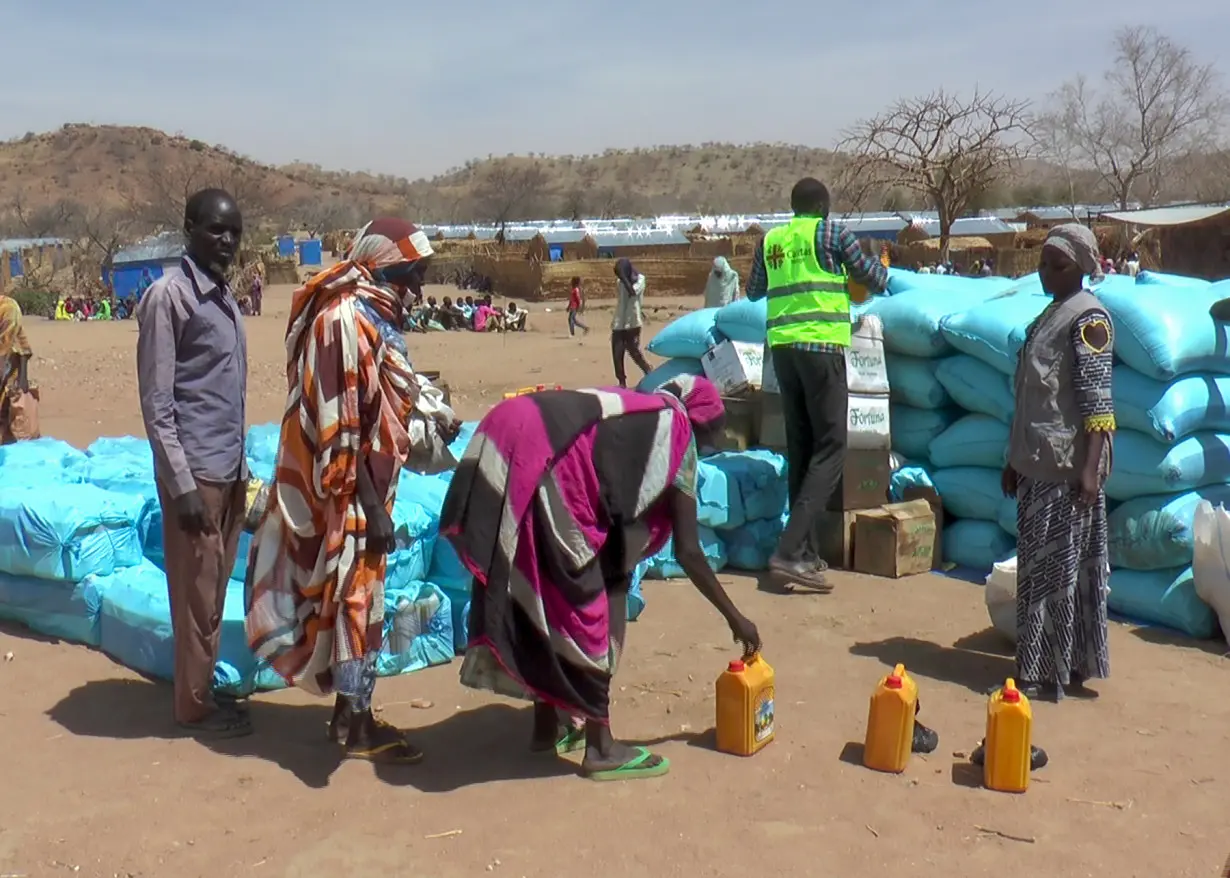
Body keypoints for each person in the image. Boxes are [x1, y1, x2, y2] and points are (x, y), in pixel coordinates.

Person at [440, 375, 761, 781]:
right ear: (702, 423)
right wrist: (736, 619)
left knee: (543, 588)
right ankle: (601, 746)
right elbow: (689, 552)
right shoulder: (676, 435)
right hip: (545, 456)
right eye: (710, 433)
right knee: (585, 602)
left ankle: (547, 724)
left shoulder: (638, 415)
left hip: (511, 431)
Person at [245, 217, 447, 764]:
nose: (418, 288)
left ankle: (348, 714)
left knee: (356, 598)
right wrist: (364, 501)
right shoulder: (342, 320)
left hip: (368, 489)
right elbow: (339, 419)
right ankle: (358, 727)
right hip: (345, 491)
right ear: (385, 266)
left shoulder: (371, 317)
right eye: (412, 273)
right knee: (355, 598)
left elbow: (376, 396)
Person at [136, 188, 250, 737]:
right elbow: (158, 405)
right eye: (215, 230)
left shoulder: (225, 298)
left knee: (215, 587)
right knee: (195, 592)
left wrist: (243, 469)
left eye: (233, 232)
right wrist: (181, 486)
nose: (226, 241)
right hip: (196, 475)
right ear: (189, 228)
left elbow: (227, 392)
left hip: (228, 469)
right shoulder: (170, 298)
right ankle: (192, 706)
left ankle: (201, 689)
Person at [745, 177, 888, 589]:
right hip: (822, 348)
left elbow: (754, 292)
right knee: (831, 447)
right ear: (824, 206)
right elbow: (870, 277)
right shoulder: (832, 232)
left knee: (802, 447)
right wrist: (882, 273)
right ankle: (789, 550)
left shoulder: (772, 240)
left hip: (783, 351)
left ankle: (805, 552)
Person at [1002, 224, 1113, 701]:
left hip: (1067, 469)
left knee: (1060, 574)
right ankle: (1046, 666)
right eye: (1043, 263)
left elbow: (1098, 405)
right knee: (1038, 572)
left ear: (1083, 268)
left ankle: (1051, 672)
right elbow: (1030, 397)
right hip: (1037, 463)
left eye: (1058, 265)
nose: (1045, 272)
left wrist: (1089, 470)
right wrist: (1013, 460)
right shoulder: (1049, 315)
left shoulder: (1089, 321)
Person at [611, 258, 653, 388]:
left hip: (633, 322)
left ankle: (649, 372)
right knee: (617, 353)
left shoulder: (640, 280)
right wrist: (622, 278)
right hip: (619, 322)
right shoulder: (620, 281)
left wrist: (624, 279)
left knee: (634, 351)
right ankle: (622, 382)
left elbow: (632, 292)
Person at [0, 292, 33, 444]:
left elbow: (8, 346)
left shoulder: (8, 308)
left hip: (8, 370)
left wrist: (22, 378)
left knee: (11, 420)